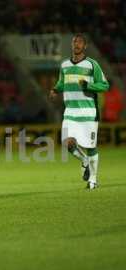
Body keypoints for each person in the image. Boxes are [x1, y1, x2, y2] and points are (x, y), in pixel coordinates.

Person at [49, 34, 109, 189]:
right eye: (74, 42)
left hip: (88, 112)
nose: (76, 44)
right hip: (70, 111)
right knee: (67, 143)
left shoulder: (92, 64)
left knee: (90, 147)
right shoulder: (64, 65)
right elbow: (62, 82)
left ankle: (93, 180)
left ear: (85, 46)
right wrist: (56, 89)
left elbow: (104, 85)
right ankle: (84, 161)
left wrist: (89, 86)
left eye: (80, 42)